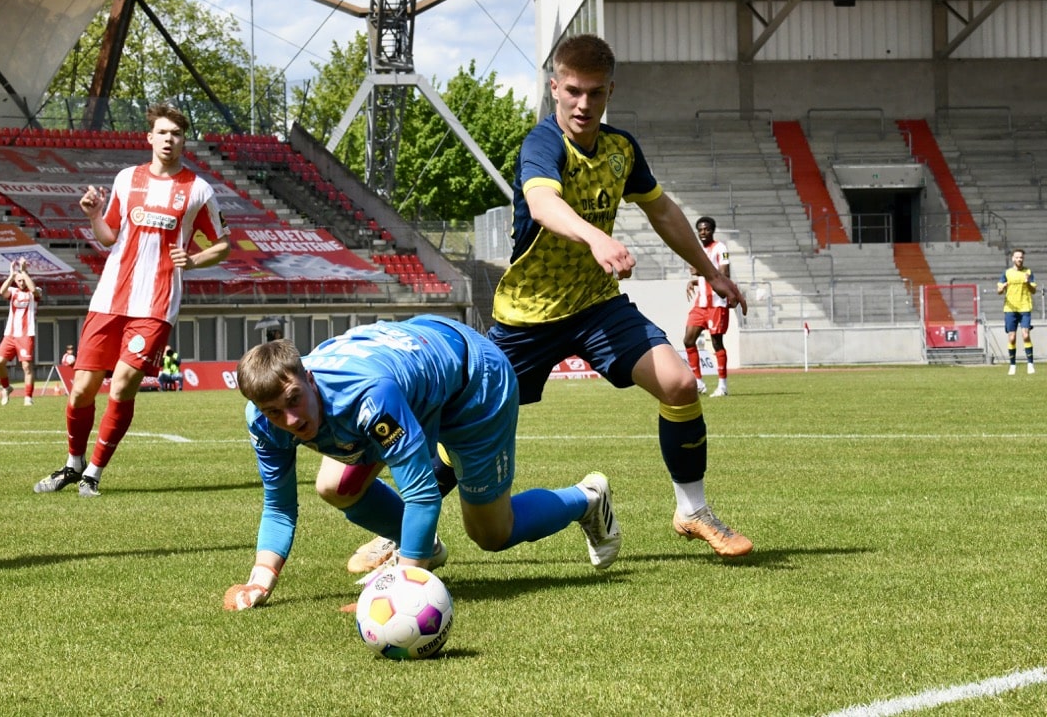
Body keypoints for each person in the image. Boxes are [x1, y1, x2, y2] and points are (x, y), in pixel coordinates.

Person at [485, 32, 752, 558]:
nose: (584, 105)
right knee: (469, 418)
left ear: (610, 91)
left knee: (678, 383)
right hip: (527, 315)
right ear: (554, 88)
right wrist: (596, 236)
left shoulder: (620, 149)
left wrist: (709, 273)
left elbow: (664, 212)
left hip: (595, 306)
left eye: (596, 94)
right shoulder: (542, 144)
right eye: (574, 92)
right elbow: (542, 205)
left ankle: (692, 511)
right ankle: (398, 533)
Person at [223, 316, 620, 611]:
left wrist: (403, 586)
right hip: (415, 374)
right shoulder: (263, 421)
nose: (290, 420)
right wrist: (259, 582)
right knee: (335, 486)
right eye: (275, 412)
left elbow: (422, 495)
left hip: (473, 381)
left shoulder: (368, 398)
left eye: (294, 399)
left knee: (492, 534)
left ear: (308, 379)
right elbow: (278, 506)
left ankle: (586, 498)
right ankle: (425, 545)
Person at [32, 103, 229, 498]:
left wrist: (194, 259)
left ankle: (93, 473)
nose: (169, 139)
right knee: (82, 389)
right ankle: (72, 464)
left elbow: (223, 245)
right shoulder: (127, 179)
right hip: (109, 297)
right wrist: (93, 215)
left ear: (182, 140)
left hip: (156, 304)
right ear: (150, 138)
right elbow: (108, 237)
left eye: (176, 133)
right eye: (162, 132)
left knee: (122, 387)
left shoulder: (198, 189)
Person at [683, 216, 733, 397]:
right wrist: (695, 281)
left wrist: (700, 272)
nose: (703, 233)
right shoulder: (698, 250)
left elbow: (723, 274)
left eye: (706, 229)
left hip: (717, 303)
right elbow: (706, 277)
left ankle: (722, 386)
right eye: (700, 230)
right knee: (688, 340)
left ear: (713, 230)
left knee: (717, 343)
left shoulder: (720, 248)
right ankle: (698, 382)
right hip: (701, 303)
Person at [0, 257, 42, 406]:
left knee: (26, 366)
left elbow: (34, 290)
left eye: (23, 280)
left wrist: (23, 272)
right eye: (19, 280)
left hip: (26, 334)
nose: (21, 283)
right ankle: (6, 387)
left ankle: (28, 397)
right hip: (10, 334)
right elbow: (2, 291)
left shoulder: (34, 291)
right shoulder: (13, 291)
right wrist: (11, 275)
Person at [997, 248, 1037, 375]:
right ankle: (1012, 365)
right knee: (1012, 337)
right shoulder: (1007, 273)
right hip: (1010, 308)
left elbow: (1033, 290)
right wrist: (1002, 287)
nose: (1019, 259)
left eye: (1021, 257)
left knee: (1025, 335)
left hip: (1025, 307)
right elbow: (999, 291)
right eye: (1017, 257)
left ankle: (1030, 364)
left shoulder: (1028, 272)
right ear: (1013, 258)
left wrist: (1028, 283)